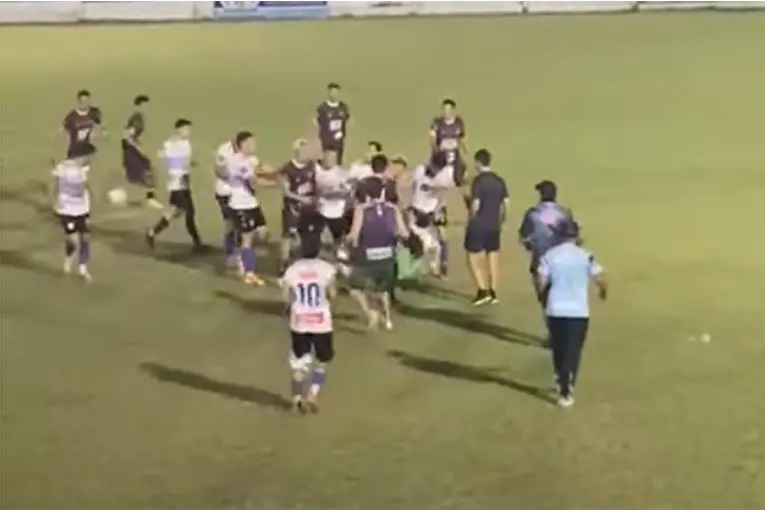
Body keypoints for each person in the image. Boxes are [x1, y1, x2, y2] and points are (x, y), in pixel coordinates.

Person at [536, 221, 608, 407]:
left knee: (558, 348)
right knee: (574, 349)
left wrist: (542, 296)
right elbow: (599, 278)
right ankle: (569, 384)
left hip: (555, 309)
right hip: (578, 310)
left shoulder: (550, 255)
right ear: (576, 236)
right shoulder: (585, 256)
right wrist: (603, 291)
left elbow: (541, 280)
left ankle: (561, 379)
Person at [281, 224, 337, 413]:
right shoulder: (327, 269)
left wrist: (288, 311)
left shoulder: (292, 270)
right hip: (322, 322)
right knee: (322, 360)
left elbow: (285, 297)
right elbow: (333, 294)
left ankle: (297, 398)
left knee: (299, 363)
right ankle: (313, 393)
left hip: (299, 321)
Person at [348, 177, 410, 331]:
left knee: (355, 288)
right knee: (383, 290)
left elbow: (354, 235)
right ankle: (388, 319)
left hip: (366, 257)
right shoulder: (393, 208)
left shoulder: (361, 209)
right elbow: (404, 233)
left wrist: (345, 242)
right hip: (388, 257)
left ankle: (372, 313)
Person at [145, 119, 204, 252]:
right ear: (179, 130)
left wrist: (190, 163)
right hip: (177, 184)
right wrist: (178, 170)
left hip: (184, 183)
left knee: (174, 211)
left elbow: (184, 161)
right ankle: (197, 243)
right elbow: (166, 160)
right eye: (186, 129)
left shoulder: (185, 143)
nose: (189, 132)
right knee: (189, 212)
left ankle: (152, 232)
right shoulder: (171, 144)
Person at [220, 131, 269, 285]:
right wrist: (279, 184)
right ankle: (249, 272)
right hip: (240, 204)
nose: (254, 145)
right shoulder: (237, 162)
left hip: (252, 203)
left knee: (262, 232)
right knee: (247, 238)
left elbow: (262, 169)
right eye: (251, 143)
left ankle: (239, 257)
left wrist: (277, 172)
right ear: (243, 144)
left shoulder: (250, 160)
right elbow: (254, 182)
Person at [518, 180, 576, 308]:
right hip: (562, 260)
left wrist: (529, 244)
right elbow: (572, 235)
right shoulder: (565, 212)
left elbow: (523, 237)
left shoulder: (532, 213)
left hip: (540, 259)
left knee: (544, 299)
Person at [464, 149, 508, 306]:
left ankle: (482, 290)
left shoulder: (478, 181)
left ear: (478, 162)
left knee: (472, 256)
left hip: (479, 224)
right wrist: (502, 220)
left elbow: (476, 204)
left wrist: (471, 218)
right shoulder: (499, 181)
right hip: (494, 225)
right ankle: (494, 291)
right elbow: (506, 204)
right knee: (493, 257)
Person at [51, 154, 93, 281]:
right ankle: (68, 260)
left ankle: (83, 269)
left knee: (85, 237)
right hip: (67, 209)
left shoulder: (83, 168)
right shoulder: (61, 168)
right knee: (73, 241)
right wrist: (55, 201)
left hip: (83, 208)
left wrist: (92, 195)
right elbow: (55, 185)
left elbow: (86, 185)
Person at [279, 139, 318, 274]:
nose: (308, 153)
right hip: (293, 208)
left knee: (307, 234)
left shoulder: (312, 166)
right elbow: (286, 191)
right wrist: (302, 199)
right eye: (304, 150)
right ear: (297, 151)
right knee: (288, 234)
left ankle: (304, 261)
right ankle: (284, 263)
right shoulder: (288, 169)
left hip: (309, 208)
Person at [121, 94, 161, 209]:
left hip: (131, 150)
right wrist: (139, 149)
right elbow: (126, 136)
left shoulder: (137, 117)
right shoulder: (137, 119)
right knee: (147, 172)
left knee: (146, 172)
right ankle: (150, 198)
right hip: (131, 152)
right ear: (140, 105)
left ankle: (148, 197)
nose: (147, 108)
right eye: (145, 105)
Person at [316, 151, 351, 254]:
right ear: (324, 159)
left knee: (339, 237)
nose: (331, 161)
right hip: (322, 211)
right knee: (322, 239)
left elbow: (348, 191)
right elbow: (318, 191)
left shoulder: (341, 173)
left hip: (338, 211)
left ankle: (340, 255)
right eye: (329, 158)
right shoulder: (317, 172)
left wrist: (336, 192)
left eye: (334, 158)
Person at [315, 82, 351, 165]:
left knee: (338, 162)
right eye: (332, 92)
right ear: (328, 93)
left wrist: (342, 133)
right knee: (327, 162)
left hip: (339, 140)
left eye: (336, 92)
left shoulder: (343, 107)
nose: (334, 94)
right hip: (327, 140)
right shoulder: (322, 108)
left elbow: (347, 120)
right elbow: (317, 121)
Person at [61, 89, 102, 159]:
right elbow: (64, 133)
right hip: (75, 152)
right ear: (79, 101)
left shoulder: (94, 113)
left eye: (86, 101)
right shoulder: (72, 117)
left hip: (89, 152)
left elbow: (99, 128)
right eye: (82, 101)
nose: (84, 103)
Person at [429, 98, 467, 169]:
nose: (446, 112)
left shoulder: (458, 122)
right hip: (441, 155)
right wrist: (436, 152)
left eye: (449, 110)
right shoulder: (437, 122)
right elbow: (432, 139)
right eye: (444, 109)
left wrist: (464, 150)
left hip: (455, 155)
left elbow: (462, 138)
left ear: (453, 110)